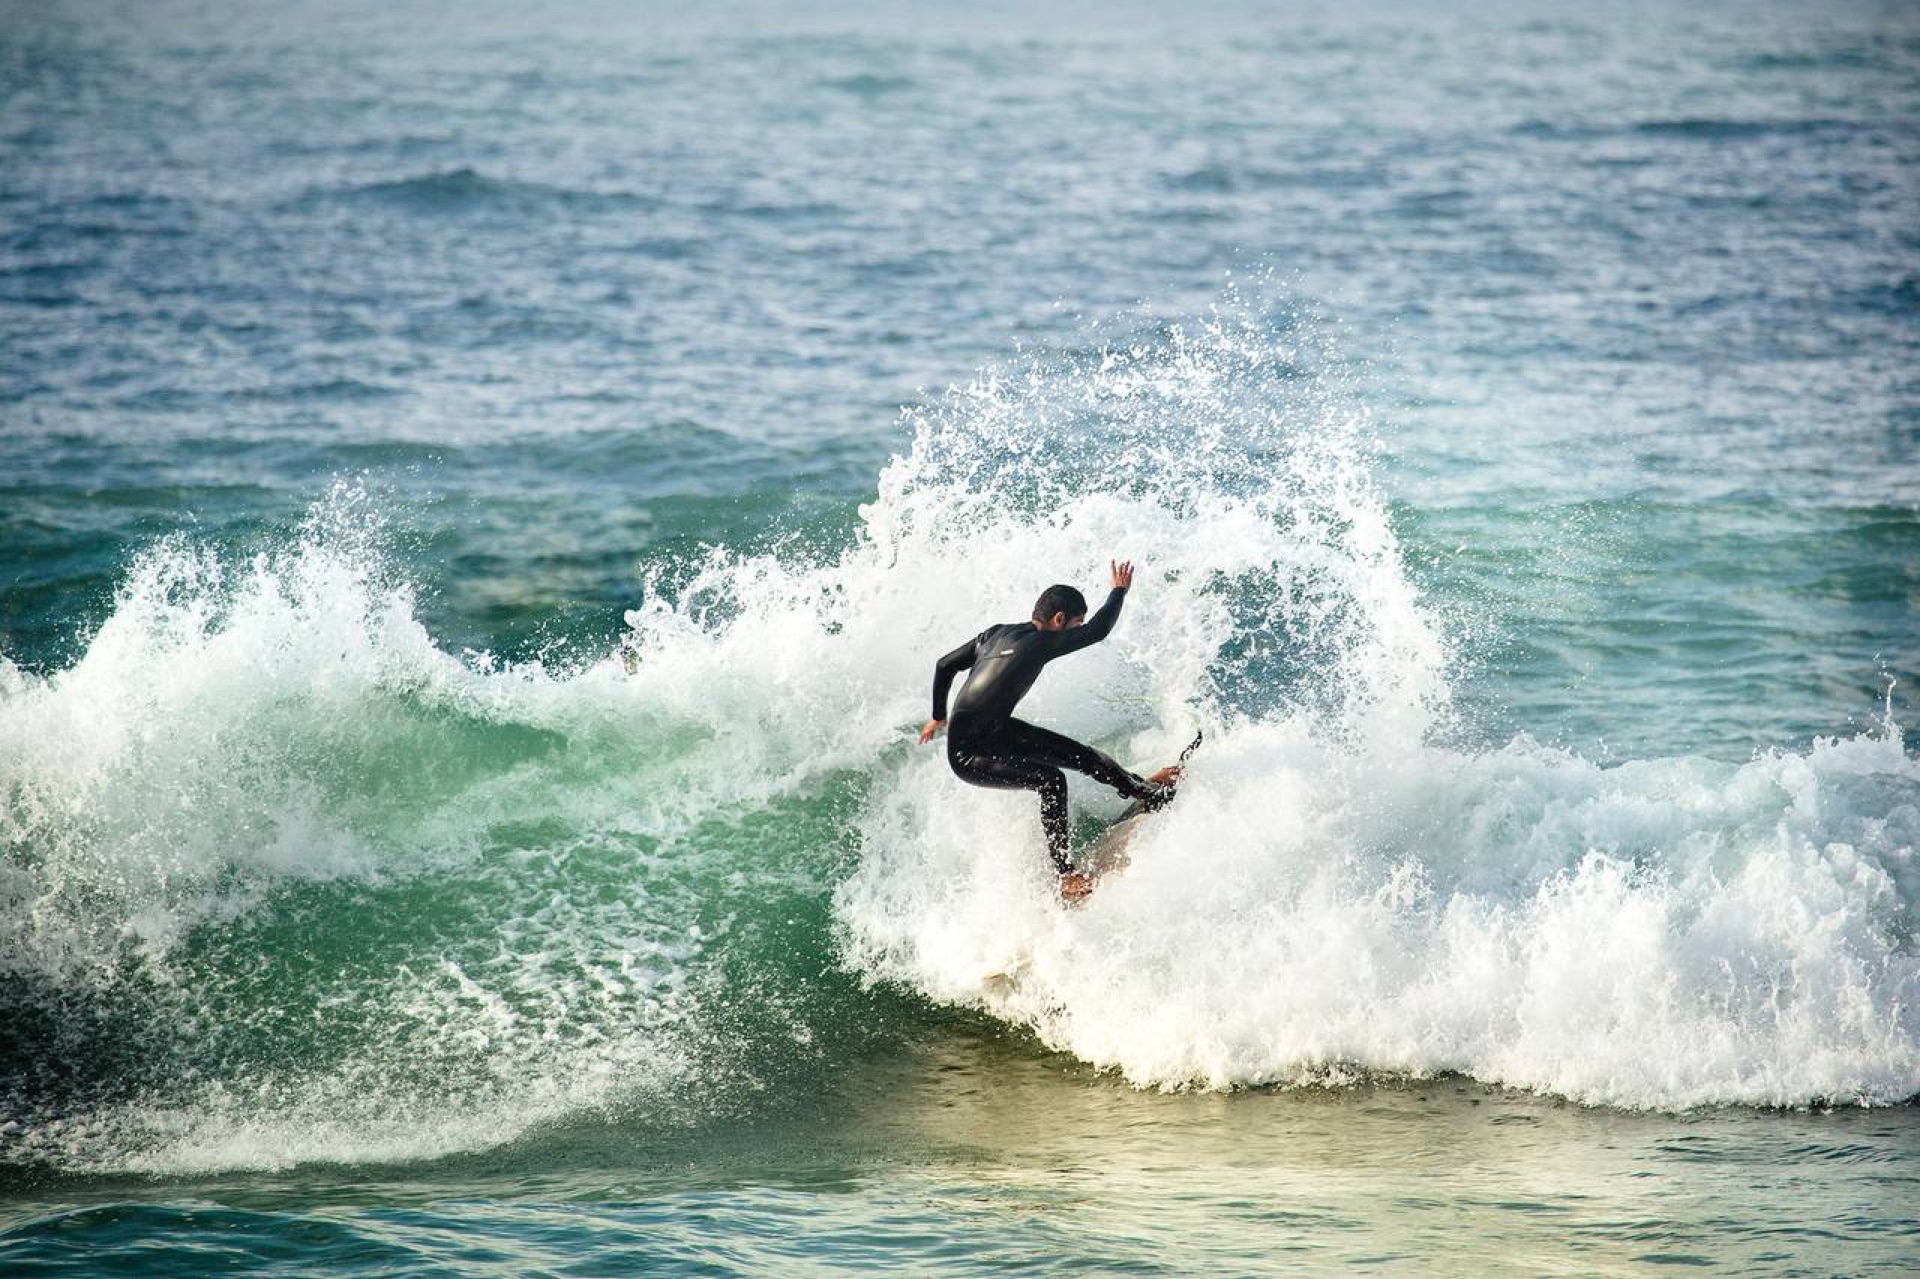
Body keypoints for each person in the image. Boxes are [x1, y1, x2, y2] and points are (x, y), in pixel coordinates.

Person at [918, 559, 1180, 899]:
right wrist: (1119, 591)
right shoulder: (1041, 642)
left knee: (1085, 756)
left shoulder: (994, 633)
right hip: (969, 755)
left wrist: (938, 715)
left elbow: (944, 665)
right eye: (1074, 625)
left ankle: (1142, 789)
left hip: (996, 730)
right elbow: (1099, 630)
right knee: (1051, 781)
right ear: (1059, 621)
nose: (1076, 631)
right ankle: (1066, 875)